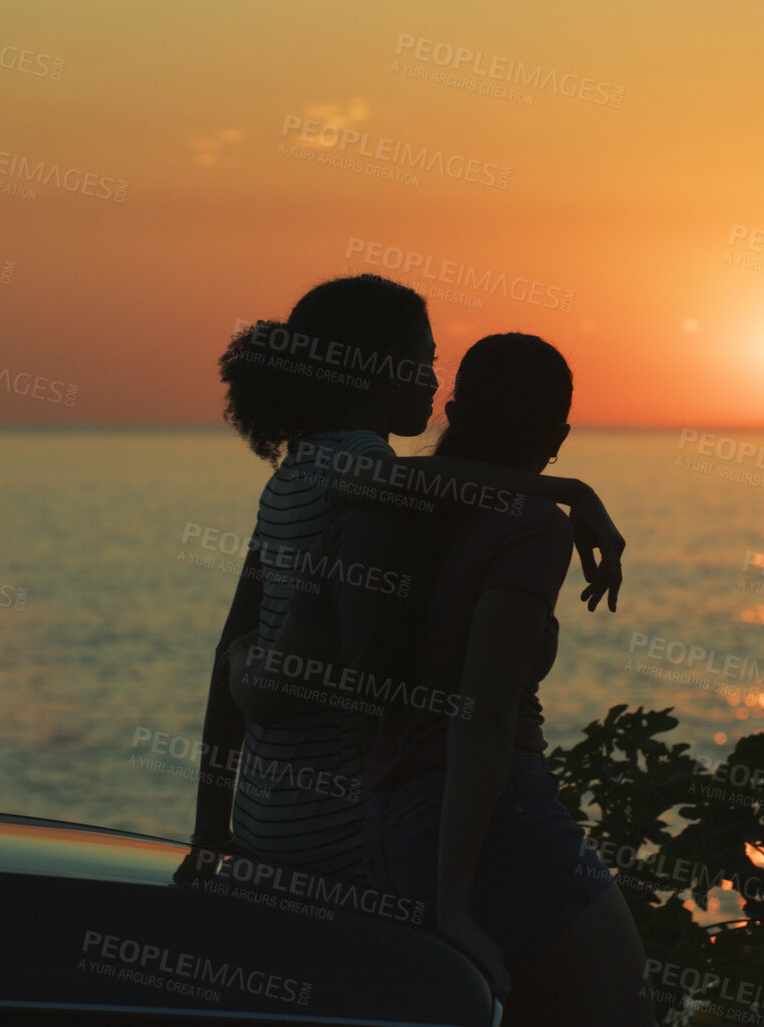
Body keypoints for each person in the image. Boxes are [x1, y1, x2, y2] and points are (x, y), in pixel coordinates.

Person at [244, 334, 652, 1025]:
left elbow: (280, 681)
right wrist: (455, 903)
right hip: (496, 825)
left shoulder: (360, 513)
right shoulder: (529, 527)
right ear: (558, 434)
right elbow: (482, 715)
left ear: (453, 411)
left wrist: (236, 664)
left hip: (389, 829)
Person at [186, 276, 626, 887]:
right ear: (379, 373)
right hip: (337, 825)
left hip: (264, 819)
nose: (432, 381)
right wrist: (570, 492)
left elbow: (226, 653)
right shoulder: (363, 468)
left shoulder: (289, 479)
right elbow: (420, 482)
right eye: (425, 363)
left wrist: (209, 830)